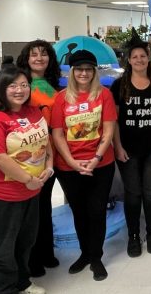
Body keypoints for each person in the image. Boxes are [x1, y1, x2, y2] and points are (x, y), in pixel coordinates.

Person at [0, 65, 52, 294]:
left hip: (32, 189)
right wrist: (27, 179)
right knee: (4, 245)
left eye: (24, 85)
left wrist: (48, 165)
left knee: (26, 240)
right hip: (3, 193)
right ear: (1, 88)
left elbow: (44, 141)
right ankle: (5, 289)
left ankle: (22, 281)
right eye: (12, 86)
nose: (19, 90)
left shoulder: (32, 111)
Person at [50, 50, 118, 281]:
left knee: (97, 211)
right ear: (72, 72)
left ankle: (96, 257)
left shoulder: (104, 95)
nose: (84, 73)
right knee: (79, 212)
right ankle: (85, 254)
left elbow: (108, 129)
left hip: (101, 163)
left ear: (94, 72)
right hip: (69, 167)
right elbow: (57, 134)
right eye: (79, 69)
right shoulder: (60, 98)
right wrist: (72, 162)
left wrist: (96, 158)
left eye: (88, 69)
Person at [111, 34, 151, 257]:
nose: (139, 60)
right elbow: (114, 120)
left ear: (149, 58)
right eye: (135, 57)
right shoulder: (119, 85)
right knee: (133, 193)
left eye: (143, 56)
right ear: (128, 60)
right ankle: (133, 235)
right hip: (127, 149)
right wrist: (117, 146)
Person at [16, 40, 62, 276]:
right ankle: (31, 258)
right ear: (26, 58)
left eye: (44, 54)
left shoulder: (54, 83)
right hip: (30, 154)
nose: (39, 58)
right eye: (34, 55)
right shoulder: (20, 85)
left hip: (52, 153)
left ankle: (45, 251)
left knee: (44, 206)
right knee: (31, 209)